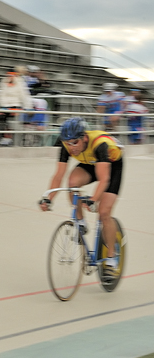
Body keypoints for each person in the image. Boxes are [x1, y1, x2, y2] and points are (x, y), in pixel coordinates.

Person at [39, 117, 123, 276]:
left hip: (111, 165)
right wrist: (49, 197)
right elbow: (59, 176)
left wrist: (93, 200)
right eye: (68, 143)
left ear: (84, 138)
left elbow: (104, 179)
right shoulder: (67, 145)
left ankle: (112, 257)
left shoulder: (100, 145)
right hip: (90, 162)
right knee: (72, 182)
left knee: (104, 213)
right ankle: (81, 222)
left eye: (75, 143)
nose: (71, 147)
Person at [0, 68, 33, 144]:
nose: (10, 77)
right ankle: (4, 136)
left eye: (12, 75)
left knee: (5, 117)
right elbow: (0, 95)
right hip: (4, 106)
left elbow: (24, 96)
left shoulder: (20, 83)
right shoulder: (4, 82)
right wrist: (3, 105)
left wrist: (29, 107)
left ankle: (7, 136)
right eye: (9, 75)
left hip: (16, 105)